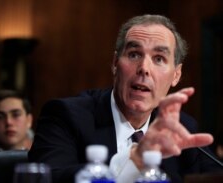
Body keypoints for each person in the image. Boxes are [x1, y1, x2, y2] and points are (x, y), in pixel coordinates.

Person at [28, 14, 223, 183]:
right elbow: (47, 178)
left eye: (158, 59)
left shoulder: (180, 128)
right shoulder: (66, 116)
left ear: (176, 75)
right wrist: (133, 161)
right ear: (114, 64)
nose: (144, 68)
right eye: (134, 54)